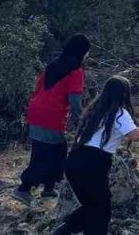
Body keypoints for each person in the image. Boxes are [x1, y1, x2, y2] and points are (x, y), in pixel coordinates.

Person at [52, 76, 139, 235]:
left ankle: (66, 233)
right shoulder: (119, 113)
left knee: (95, 208)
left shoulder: (95, 111)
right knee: (101, 215)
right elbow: (135, 135)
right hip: (95, 164)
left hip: (75, 162)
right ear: (124, 94)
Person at [14, 34, 89, 205]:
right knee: (46, 154)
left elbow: (38, 88)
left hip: (36, 111)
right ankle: (24, 188)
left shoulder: (53, 65)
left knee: (55, 151)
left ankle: (49, 189)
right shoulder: (76, 70)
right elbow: (75, 98)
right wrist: (82, 120)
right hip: (51, 116)